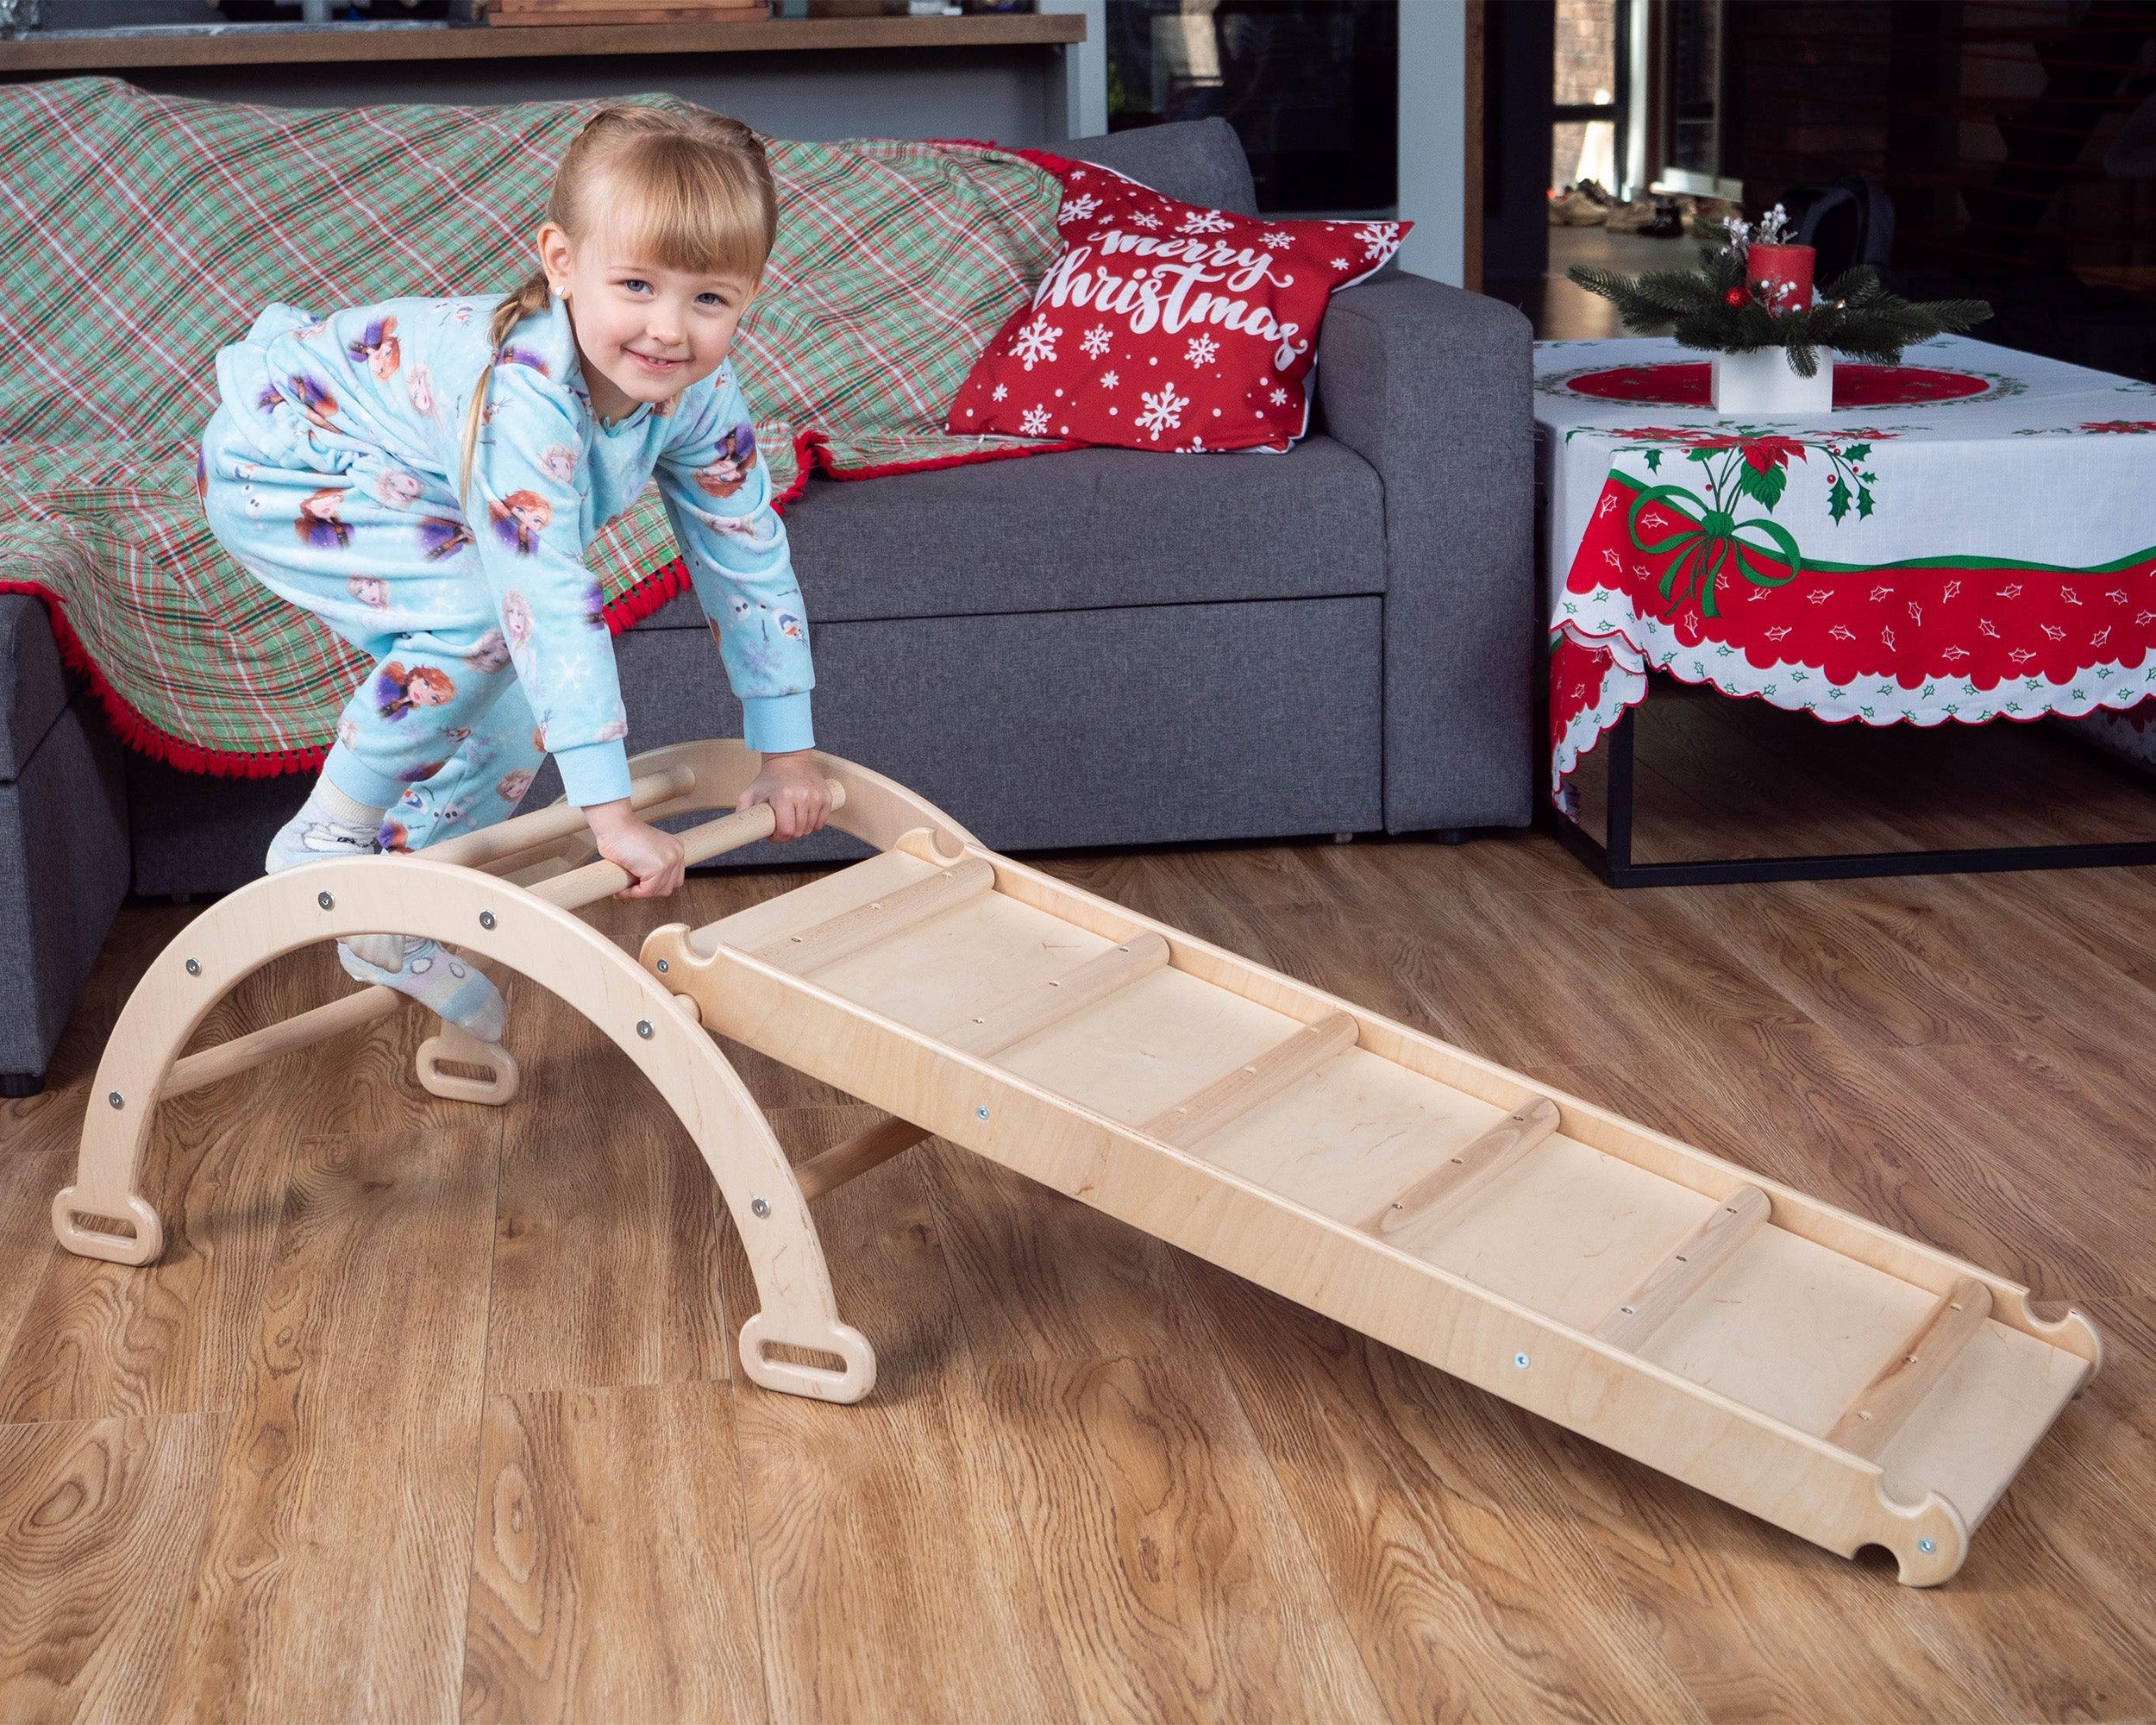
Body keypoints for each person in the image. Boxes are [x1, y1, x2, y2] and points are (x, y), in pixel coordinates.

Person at [197, 104, 829, 1043]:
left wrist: (785, 750)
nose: (666, 329)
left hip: (420, 491)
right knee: (489, 616)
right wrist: (607, 815)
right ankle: (328, 832)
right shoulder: (527, 391)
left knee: (517, 704)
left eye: (709, 299)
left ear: (750, 296)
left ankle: (398, 892)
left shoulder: (702, 398)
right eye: (636, 285)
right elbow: (547, 596)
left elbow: (747, 559)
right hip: (288, 461)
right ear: (561, 263)